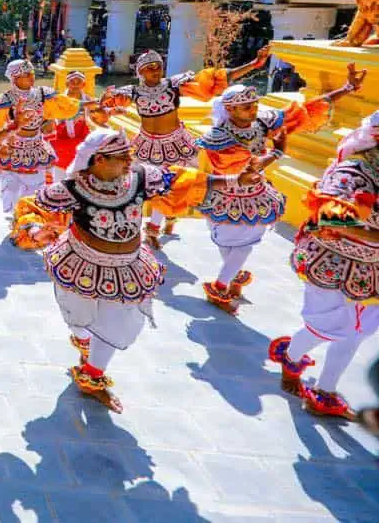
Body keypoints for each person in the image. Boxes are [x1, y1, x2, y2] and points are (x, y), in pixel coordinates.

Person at [13, 129, 261, 412]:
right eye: (122, 157)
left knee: (116, 323)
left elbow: (184, 181)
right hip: (79, 263)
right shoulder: (71, 189)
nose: (129, 161)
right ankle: (83, 342)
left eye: (130, 155)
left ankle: (93, 377)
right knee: (78, 321)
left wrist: (235, 180)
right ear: (99, 159)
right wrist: (34, 231)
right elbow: (32, 208)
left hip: (128, 269)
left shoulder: (142, 178)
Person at [194, 70, 359, 313]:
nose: (253, 110)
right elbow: (243, 169)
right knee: (228, 244)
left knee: (244, 245)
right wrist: (277, 152)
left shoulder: (261, 121)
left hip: (255, 196)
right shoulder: (218, 137)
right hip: (225, 195)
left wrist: (346, 89)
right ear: (230, 110)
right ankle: (231, 278)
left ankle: (221, 285)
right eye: (247, 107)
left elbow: (301, 112)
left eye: (254, 105)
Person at [269, 108, 379, 418]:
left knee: (359, 332)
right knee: (327, 327)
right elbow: (328, 216)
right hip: (331, 260)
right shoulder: (354, 171)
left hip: (370, 268)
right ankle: (290, 357)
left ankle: (325, 391)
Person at [100, 46, 270, 247]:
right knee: (147, 185)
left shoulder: (173, 85)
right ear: (140, 71)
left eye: (159, 66)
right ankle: (164, 220)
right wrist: (104, 108)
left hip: (175, 144)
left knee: (168, 185)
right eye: (150, 67)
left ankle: (155, 228)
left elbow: (217, 79)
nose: (156, 70)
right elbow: (103, 105)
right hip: (147, 145)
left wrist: (254, 64)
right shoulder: (132, 92)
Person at [0, 60, 76, 223]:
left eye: (32, 73)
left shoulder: (43, 93)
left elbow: (67, 108)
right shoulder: (5, 99)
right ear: (14, 78)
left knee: (35, 189)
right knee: (11, 189)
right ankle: (17, 220)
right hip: (13, 148)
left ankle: (29, 221)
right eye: (26, 74)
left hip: (37, 146)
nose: (31, 77)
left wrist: (48, 120)